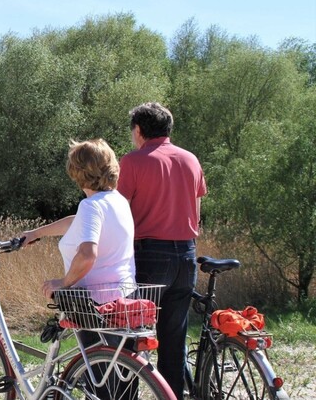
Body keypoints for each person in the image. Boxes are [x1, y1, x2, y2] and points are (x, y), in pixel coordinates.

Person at [117, 102, 207, 400]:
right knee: (173, 340)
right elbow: (196, 210)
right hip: (186, 255)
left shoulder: (132, 162)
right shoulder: (191, 160)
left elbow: (118, 212)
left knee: (130, 335)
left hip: (149, 255)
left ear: (139, 130)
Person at [21, 138, 135, 304]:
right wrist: (35, 234)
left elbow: (87, 255)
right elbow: (79, 223)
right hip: (124, 296)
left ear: (76, 171)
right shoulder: (118, 200)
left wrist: (63, 283)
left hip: (94, 303)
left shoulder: (90, 206)